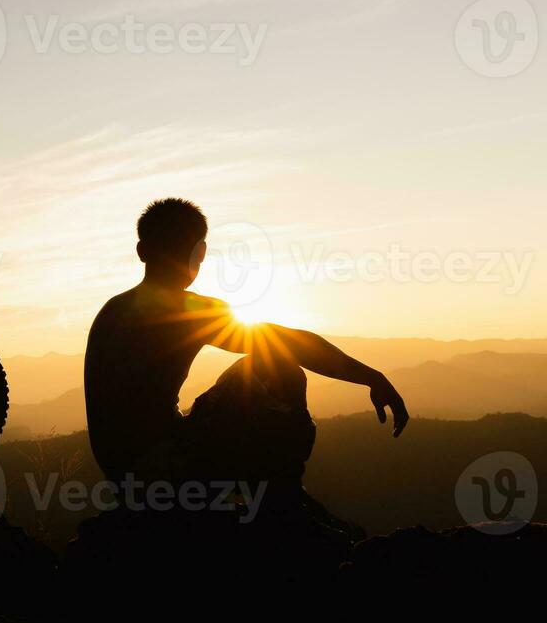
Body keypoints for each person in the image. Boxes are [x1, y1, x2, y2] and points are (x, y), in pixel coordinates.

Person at [83, 198, 408, 502]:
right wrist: (372, 377)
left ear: (141, 251)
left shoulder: (112, 311)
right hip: (165, 475)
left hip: (123, 476)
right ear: (200, 254)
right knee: (279, 370)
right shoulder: (187, 310)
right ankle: (283, 501)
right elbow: (291, 344)